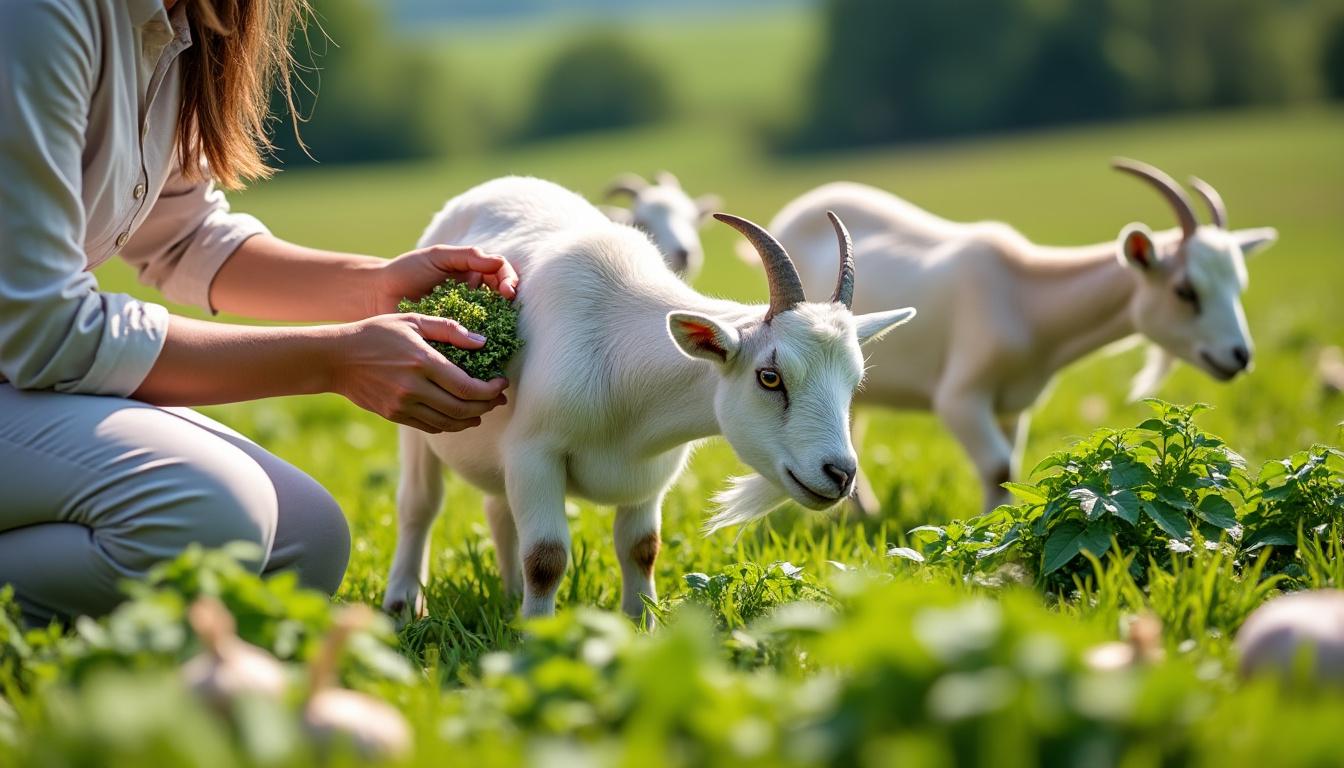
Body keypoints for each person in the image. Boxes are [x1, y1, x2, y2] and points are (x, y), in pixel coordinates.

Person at [0, 0, 519, 627]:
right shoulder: (40, 15)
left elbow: (182, 233)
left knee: (305, 542)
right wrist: (335, 360)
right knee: (209, 513)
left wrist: (377, 287)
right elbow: (43, 326)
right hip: (24, 360)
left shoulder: (176, 21)